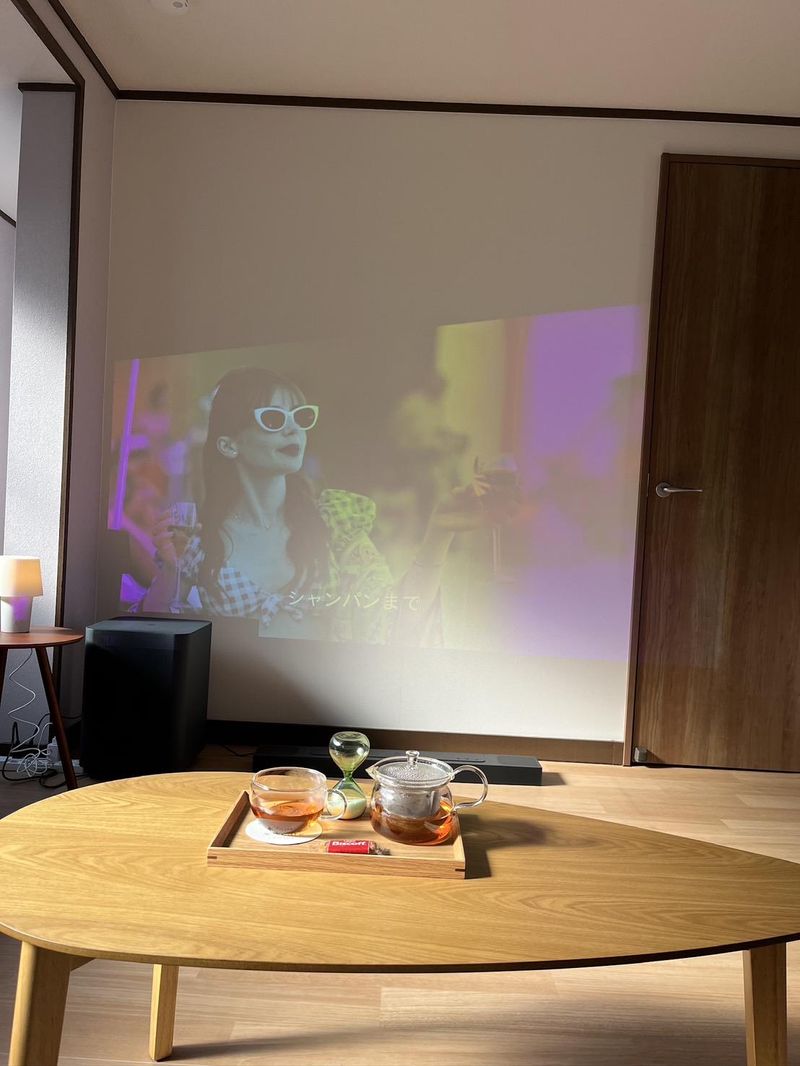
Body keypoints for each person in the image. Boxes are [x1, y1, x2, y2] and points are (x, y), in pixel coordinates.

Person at [139, 366, 517, 643]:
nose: (294, 428)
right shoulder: (197, 537)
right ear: (228, 444)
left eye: (301, 417)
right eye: (273, 418)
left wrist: (439, 532)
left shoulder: (334, 522)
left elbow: (396, 618)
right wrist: (171, 569)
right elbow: (152, 638)